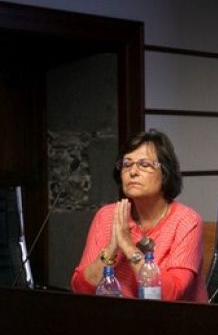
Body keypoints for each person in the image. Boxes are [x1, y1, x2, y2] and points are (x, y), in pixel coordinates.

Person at [71, 129, 208, 302]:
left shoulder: (187, 221)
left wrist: (128, 247)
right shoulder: (107, 216)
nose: (133, 172)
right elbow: (80, 288)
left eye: (144, 164)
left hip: (175, 324)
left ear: (165, 173)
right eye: (127, 164)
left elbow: (171, 295)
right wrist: (111, 249)